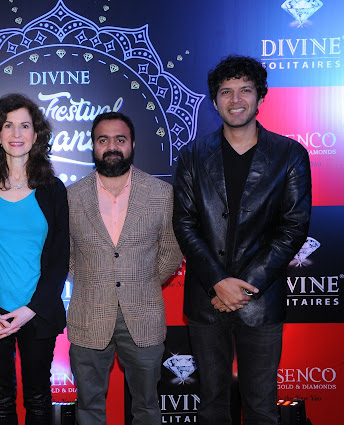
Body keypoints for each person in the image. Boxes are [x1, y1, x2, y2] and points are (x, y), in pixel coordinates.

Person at [172, 55, 312, 424]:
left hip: (261, 302)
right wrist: (219, 282)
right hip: (208, 301)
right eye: (226, 92)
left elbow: (294, 227)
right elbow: (184, 225)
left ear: (260, 97)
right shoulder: (192, 156)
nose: (236, 100)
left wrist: (243, 287)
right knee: (212, 406)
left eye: (245, 90)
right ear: (214, 100)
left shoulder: (289, 155)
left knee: (262, 408)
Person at [67, 111, 183, 424]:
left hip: (144, 314)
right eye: (103, 140)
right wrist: (95, 280)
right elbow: (66, 254)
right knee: (89, 407)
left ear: (132, 144)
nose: (112, 147)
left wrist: (142, 280)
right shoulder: (71, 196)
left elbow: (171, 250)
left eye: (120, 139)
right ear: (93, 145)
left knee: (146, 407)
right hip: (89, 314)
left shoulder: (161, 193)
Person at [0, 93, 69, 425]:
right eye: (8, 125)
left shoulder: (53, 189)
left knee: (38, 399)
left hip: (38, 312)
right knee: (1, 400)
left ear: (36, 135)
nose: (17, 133)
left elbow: (60, 257)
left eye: (25, 125)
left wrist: (32, 309)